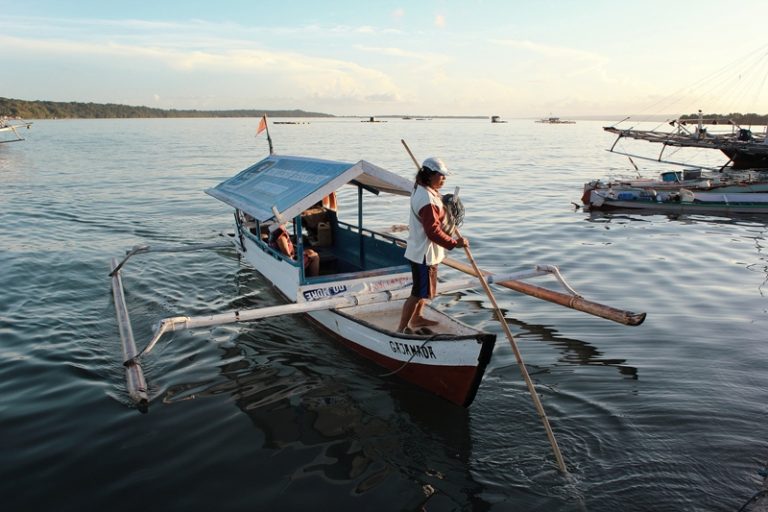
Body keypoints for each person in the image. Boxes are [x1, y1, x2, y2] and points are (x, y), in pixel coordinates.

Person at [397, 157, 468, 333]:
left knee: (425, 290)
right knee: (418, 293)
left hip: (424, 252)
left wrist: (446, 205)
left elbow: (436, 207)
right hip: (424, 254)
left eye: (445, 177)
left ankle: (418, 318)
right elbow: (433, 231)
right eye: (440, 176)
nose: (443, 180)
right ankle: (401, 329)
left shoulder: (422, 188)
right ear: (429, 175)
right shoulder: (426, 198)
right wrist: (454, 243)